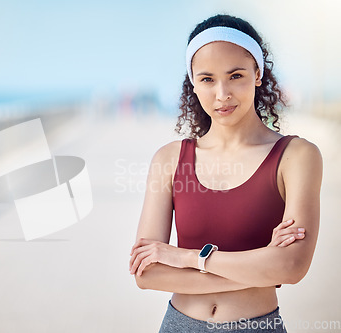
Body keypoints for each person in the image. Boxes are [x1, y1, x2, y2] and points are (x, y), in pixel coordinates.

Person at [128, 14, 322, 333]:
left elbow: (291, 265)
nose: (222, 94)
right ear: (193, 82)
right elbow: (147, 273)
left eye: (235, 75)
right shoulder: (169, 159)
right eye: (207, 79)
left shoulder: (297, 156)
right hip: (179, 325)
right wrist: (261, 265)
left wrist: (188, 257)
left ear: (257, 74)